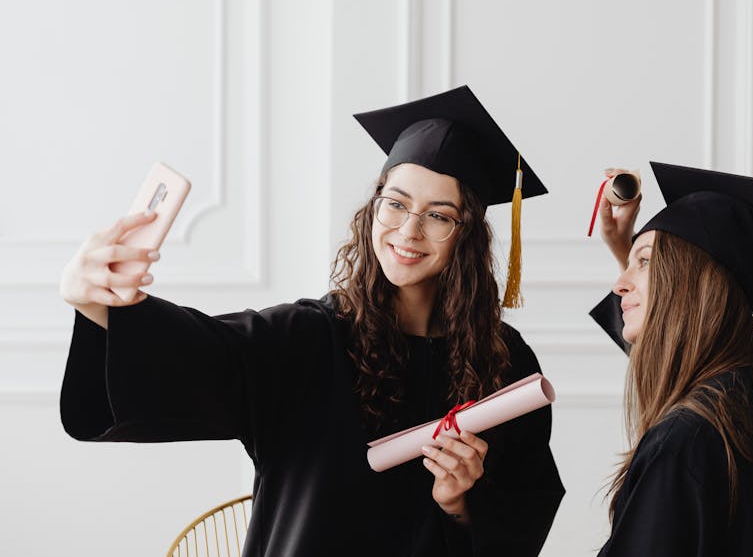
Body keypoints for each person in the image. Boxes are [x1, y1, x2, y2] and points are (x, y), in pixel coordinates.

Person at [58, 86, 564, 556]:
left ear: (467, 234)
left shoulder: (505, 362)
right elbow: (201, 354)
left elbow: (525, 509)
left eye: (438, 215)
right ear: (373, 209)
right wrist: (101, 306)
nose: (409, 230)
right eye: (395, 204)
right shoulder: (306, 339)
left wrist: (460, 505)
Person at [588, 162, 753, 556]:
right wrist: (628, 253)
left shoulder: (684, 440)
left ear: (691, 276)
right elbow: (670, 358)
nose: (619, 285)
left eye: (644, 262)